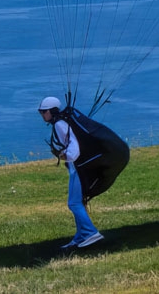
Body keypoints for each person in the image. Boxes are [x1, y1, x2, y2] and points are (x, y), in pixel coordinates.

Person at [38, 96, 105, 250]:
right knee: (76, 202)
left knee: (74, 203)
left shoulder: (59, 125)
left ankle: (90, 233)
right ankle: (81, 236)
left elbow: (73, 148)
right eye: (41, 112)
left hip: (77, 168)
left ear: (52, 111)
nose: (42, 115)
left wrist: (64, 156)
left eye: (44, 111)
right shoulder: (63, 123)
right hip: (78, 167)